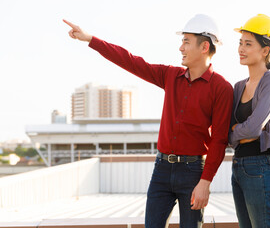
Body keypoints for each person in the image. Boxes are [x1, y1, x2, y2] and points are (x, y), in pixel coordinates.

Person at [63, 14, 233, 228]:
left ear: (204, 46)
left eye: (186, 42)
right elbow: (131, 61)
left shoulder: (222, 88)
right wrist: (90, 39)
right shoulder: (171, 76)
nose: (180, 48)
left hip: (193, 173)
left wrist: (205, 182)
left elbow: (219, 140)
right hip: (161, 169)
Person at [228, 14, 270, 228]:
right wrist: (235, 135)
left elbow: (253, 128)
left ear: (265, 50)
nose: (241, 49)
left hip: (261, 166)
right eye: (240, 43)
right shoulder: (238, 87)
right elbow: (227, 131)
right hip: (238, 166)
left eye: (248, 44)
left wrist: (234, 133)